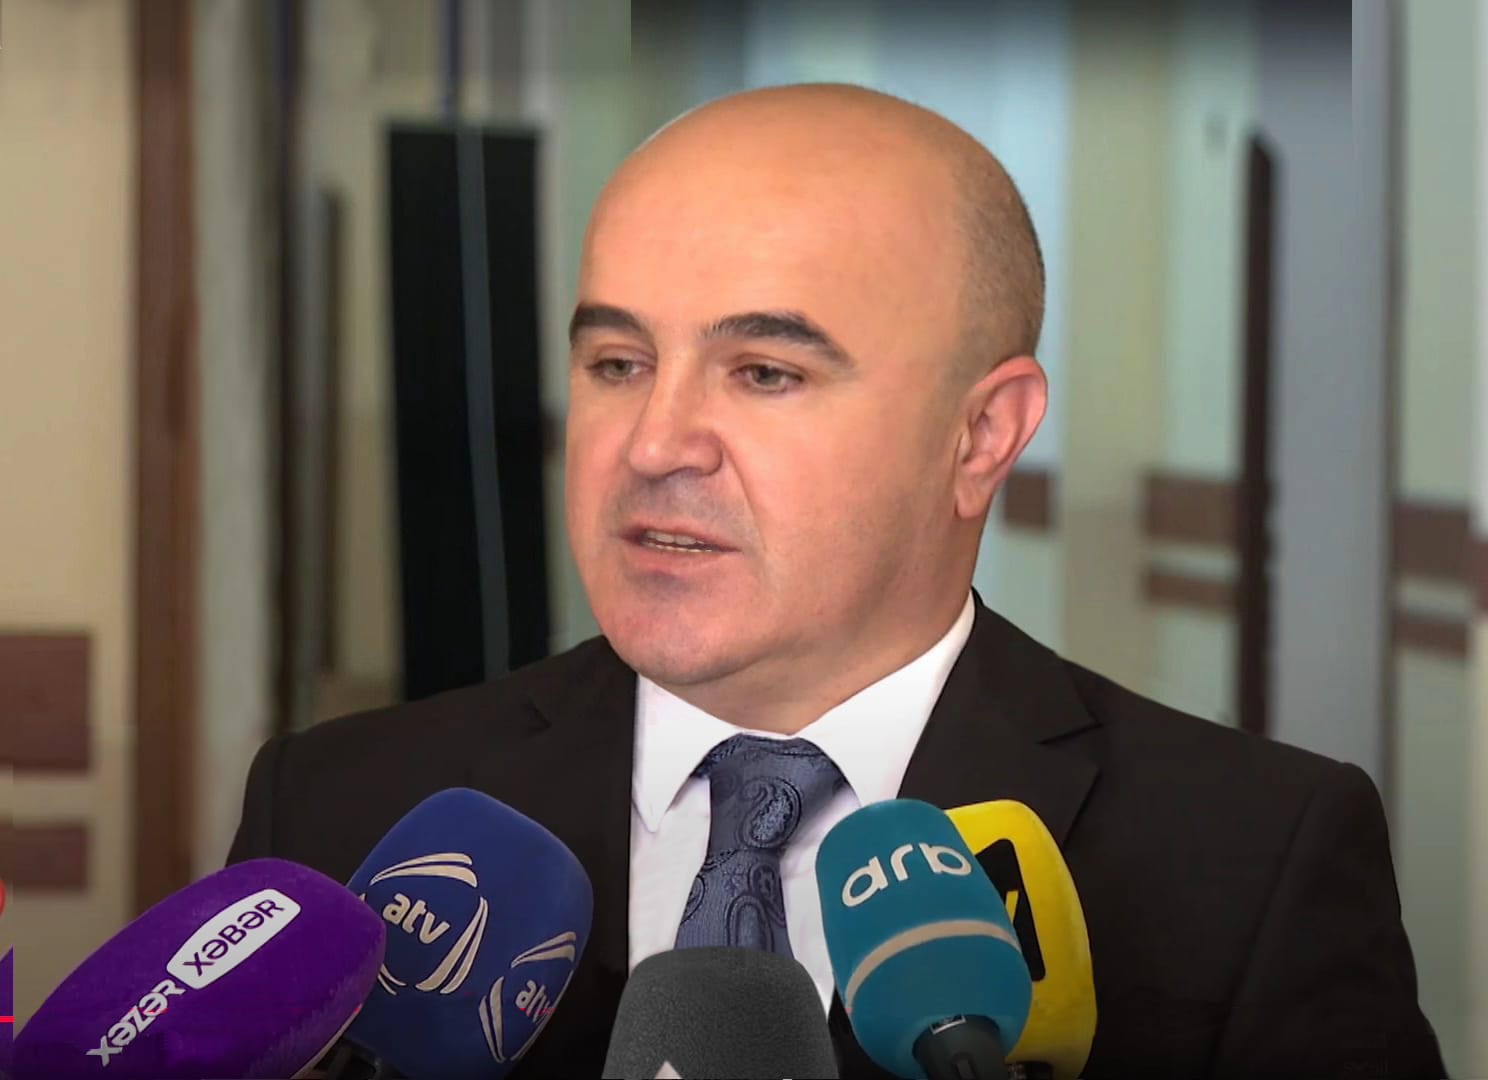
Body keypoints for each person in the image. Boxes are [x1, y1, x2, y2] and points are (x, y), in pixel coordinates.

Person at [228, 84, 1445, 1078]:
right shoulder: (338, 815)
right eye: (617, 361)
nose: (653, 445)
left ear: (981, 435)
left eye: (764, 372)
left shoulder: (1247, 862)